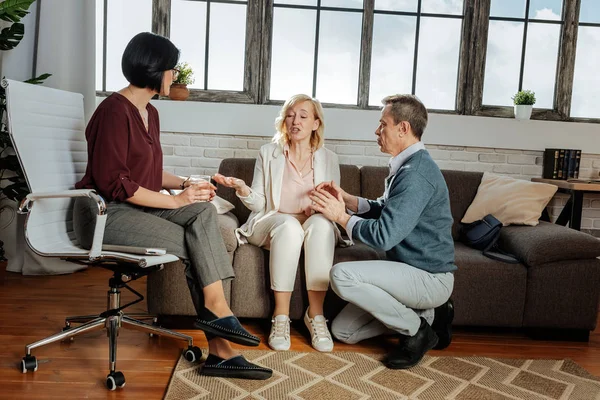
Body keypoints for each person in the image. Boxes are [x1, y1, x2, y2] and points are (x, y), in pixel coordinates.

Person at [73, 32, 272, 380]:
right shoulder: (113, 112)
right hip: (102, 213)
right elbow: (115, 182)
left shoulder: (150, 112)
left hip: (131, 207)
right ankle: (221, 343)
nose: (175, 77)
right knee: (199, 244)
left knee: (203, 211)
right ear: (154, 69)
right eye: (172, 69)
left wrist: (185, 185)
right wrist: (177, 200)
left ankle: (219, 319)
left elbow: (147, 173)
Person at [309, 94, 456, 369]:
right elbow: (386, 208)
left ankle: (418, 330)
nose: (377, 131)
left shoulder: (416, 174)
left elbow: (384, 235)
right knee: (344, 332)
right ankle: (429, 316)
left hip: (429, 277)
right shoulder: (407, 165)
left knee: (341, 275)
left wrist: (340, 216)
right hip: (408, 271)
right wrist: (349, 199)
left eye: (382, 124)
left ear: (403, 128)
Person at [214, 94, 342, 352]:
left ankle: (315, 316)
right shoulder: (268, 153)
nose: (295, 121)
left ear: (316, 124)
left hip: (311, 222)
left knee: (321, 226)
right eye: (291, 115)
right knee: (289, 226)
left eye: (303, 116)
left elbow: (333, 203)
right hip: (273, 222)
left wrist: (324, 206)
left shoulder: (329, 158)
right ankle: (280, 317)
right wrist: (243, 189)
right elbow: (260, 204)